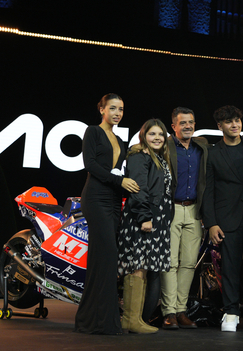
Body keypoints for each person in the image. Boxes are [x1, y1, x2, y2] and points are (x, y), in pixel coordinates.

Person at [75, 93, 140, 335]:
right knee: (107, 256)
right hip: (95, 197)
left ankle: (94, 319)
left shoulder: (119, 138)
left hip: (114, 200)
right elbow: (90, 164)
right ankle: (99, 321)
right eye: (112, 108)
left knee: (103, 260)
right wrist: (119, 180)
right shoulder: (93, 131)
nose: (117, 113)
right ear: (101, 109)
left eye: (121, 109)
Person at [202, 106, 243, 332]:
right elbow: (208, 190)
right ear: (220, 126)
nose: (234, 125)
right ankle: (231, 312)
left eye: (237, 120)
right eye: (229, 122)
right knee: (230, 268)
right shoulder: (213, 153)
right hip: (227, 218)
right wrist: (212, 223)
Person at [118, 119, 172, 334]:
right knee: (137, 267)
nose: (157, 138)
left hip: (156, 221)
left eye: (160, 134)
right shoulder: (140, 156)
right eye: (152, 134)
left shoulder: (157, 157)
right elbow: (138, 189)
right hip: (143, 220)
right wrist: (144, 217)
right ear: (143, 137)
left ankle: (136, 319)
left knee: (143, 267)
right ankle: (131, 320)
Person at [161, 107, 208, 330]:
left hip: (194, 211)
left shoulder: (202, 146)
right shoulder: (165, 145)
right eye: (183, 123)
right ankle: (168, 312)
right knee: (170, 263)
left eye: (191, 122)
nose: (188, 126)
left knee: (189, 264)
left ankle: (181, 311)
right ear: (174, 126)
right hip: (172, 209)